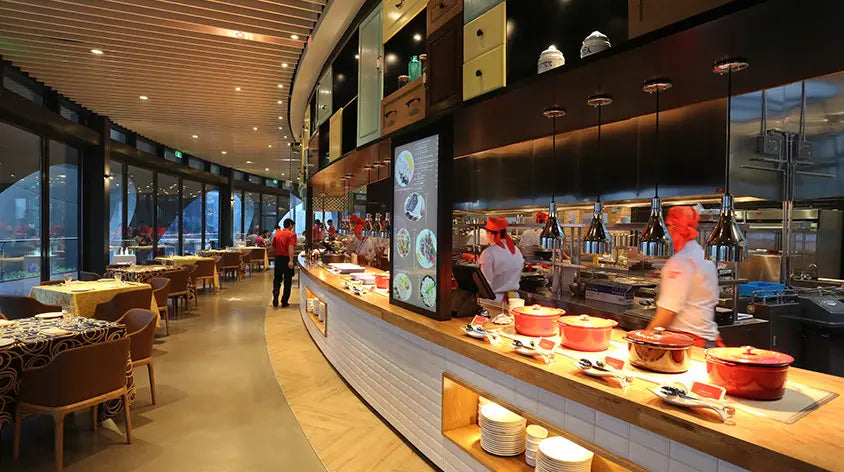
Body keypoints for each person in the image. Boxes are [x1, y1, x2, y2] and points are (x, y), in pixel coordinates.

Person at [647, 206, 721, 347]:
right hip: (706, 339)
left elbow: (668, 311)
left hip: (689, 341)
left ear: (674, 228)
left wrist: (646, 342)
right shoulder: (700, 253)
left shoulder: (681, 261)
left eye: (668, 226)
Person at [478, 217, 525, 302]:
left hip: (495, 301)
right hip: (514, 299)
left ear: (490, 233)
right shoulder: (516, 250)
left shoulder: (488, 253)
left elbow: (484, 282)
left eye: (487, 232)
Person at [272, 218, 298, 308]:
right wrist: (291, 260)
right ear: (290, 225)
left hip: (278, 259)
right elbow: (291, 247)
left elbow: (274, 247)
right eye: (293, 225)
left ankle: (276, 293)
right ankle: (284, 301)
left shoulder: (277, 234)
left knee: (277, 279)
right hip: (287, 258)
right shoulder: (292, 234)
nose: (293, 227)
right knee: (287, 281)